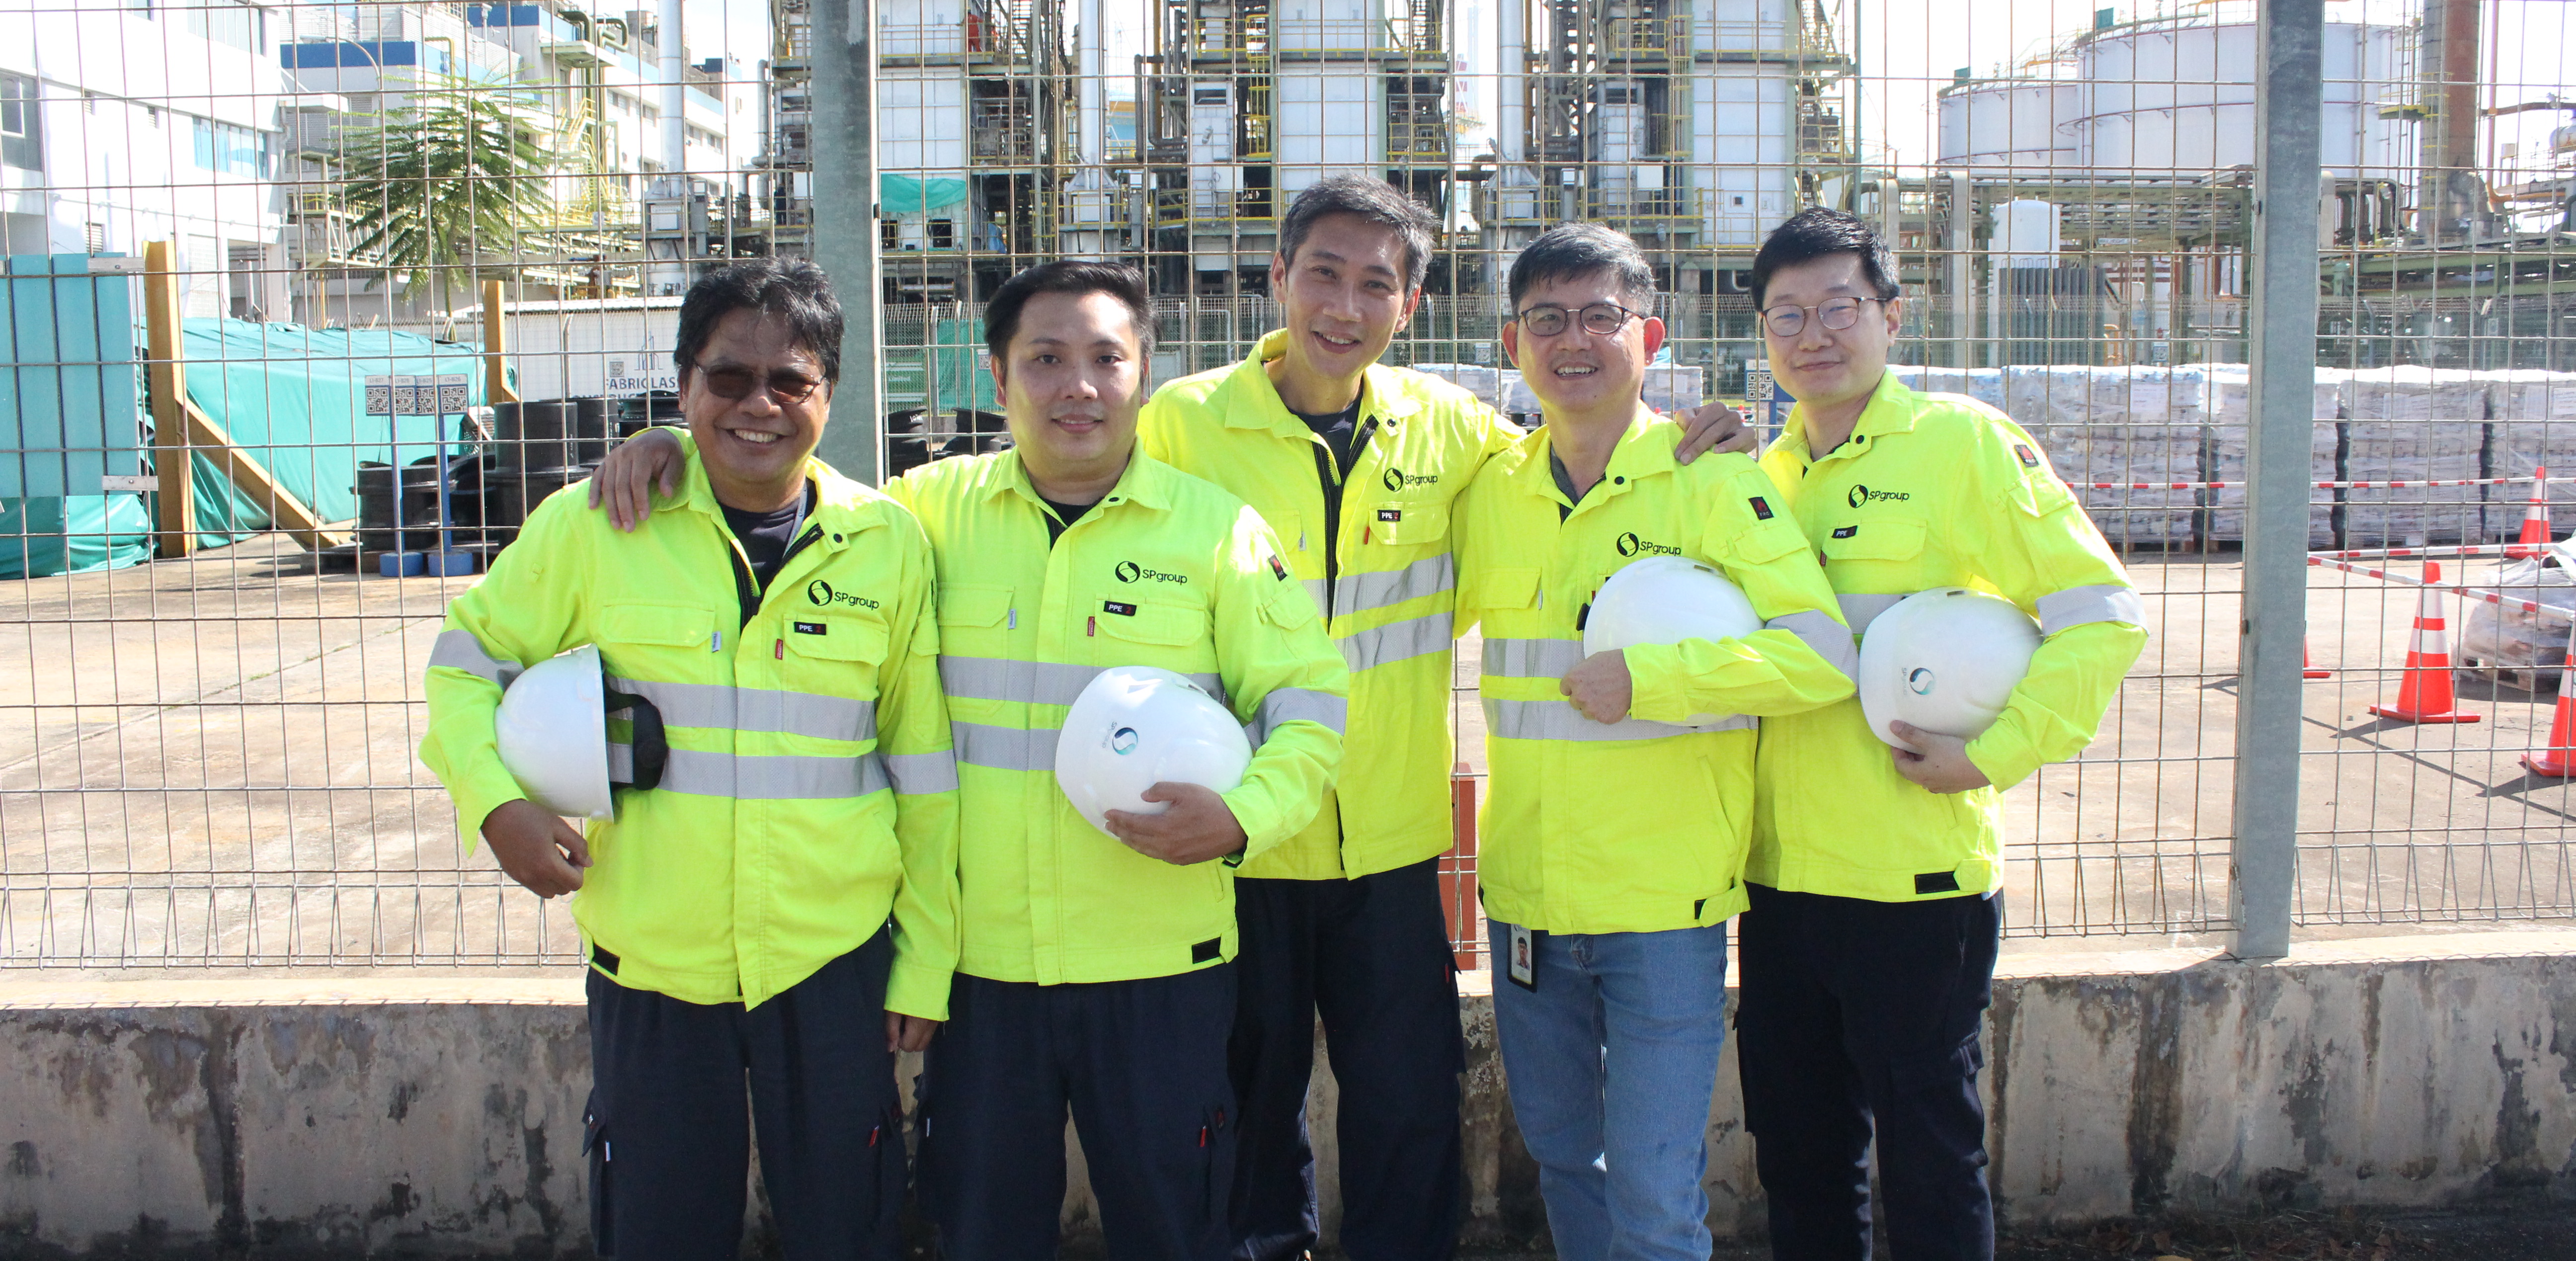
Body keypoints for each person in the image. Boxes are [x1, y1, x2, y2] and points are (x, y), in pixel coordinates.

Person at [589, 175, 1755, 1261]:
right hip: (1143, 893)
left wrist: (1697, 433)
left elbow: (1579, 448)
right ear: (1277, 280)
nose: (1345, 306)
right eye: (1323, 274)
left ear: (1411, 299)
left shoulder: (1445, 436)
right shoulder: (1095, 456)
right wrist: (682, 455)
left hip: (1363, 847)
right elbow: (845, 499)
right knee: (1232, 1133)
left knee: (1403, 1113)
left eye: (1376, 282)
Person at [420, 259, 958, 1261]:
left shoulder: (886, 544)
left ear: (829, 395)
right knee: (661, 1227)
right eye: (728, 378)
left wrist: (923, 962)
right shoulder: (596, 527)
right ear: (683, 389)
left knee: (852, 1225)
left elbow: (922, 770)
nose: (759, 404)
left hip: (832, 958)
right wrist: (495, 805)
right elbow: (463, 669)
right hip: (654, 964)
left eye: (790, 381)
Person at [1734, 208, 2148, 1261]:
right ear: (1764, 332)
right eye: (1789, 314)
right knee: (1801, 1152)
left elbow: (2098, 612)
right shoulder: (1761, 475)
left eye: (1841, 307)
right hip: (1777, 879)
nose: (1814, 334)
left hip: (1914, 882)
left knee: (1928, 1155)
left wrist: (1995, 753)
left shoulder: (1959, 442)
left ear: (1892, 315)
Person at [1451, 224, 1856, 1261]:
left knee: (1653, 1185)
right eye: (1547, 318)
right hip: (1531, 901)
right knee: (1559, 1152)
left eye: (1601, 315)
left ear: (1652, 334)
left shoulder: (1712, 481)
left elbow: (1820, 656)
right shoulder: (1492, 492)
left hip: (1661, 907)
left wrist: (1656, 680)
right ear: (1512, 343)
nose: (1573, 339)